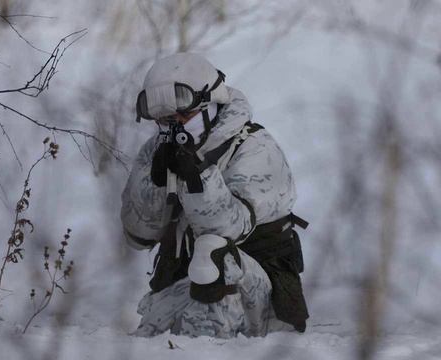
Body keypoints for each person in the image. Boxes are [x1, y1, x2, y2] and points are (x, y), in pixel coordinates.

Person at [121, 52, 308, 338]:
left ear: (212, 104)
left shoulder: (254, 146)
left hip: (261, 302)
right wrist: (156, 186)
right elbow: (138, 236)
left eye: (184, 115)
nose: (175, 125)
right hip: (192, 293)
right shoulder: (156, 149)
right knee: (147, 337)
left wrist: (197, 177)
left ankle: (207, 351)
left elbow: (227, 228)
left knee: (214, 251)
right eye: (165, 119)